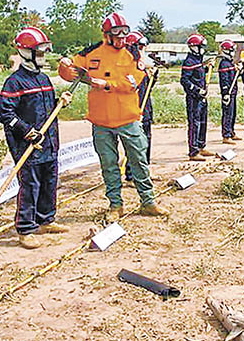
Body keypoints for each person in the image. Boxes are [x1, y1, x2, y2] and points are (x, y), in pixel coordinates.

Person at [59, 12, 165, 222]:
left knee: (138, 161)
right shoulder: (91, 53)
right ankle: (115, 205)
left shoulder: (133, 55)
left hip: (128, 119)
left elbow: (133, 83)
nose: (121, 39)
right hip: (101, 121)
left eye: (124, 35)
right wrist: (64, 67)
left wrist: (108, 85)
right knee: (108, 164)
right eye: (117, 35)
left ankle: (148, 201)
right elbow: (70, 73)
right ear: (106, 35)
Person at [0, 27, 72, 250]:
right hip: (27, 144)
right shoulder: (14, 82)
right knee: (30, 184)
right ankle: (26, 228)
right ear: (25, 52)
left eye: (43, 52)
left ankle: (45, 219)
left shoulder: (44, 78)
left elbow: (46, 107)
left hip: (48, 142)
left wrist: (60, 100)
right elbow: (4, 114)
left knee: (50, 180)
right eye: (39, 52)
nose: (43, 57)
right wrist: (26, 131)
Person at [181, 33, 213, 161]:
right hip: (194, 98)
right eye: (201, 47)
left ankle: (201, 146)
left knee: (203, 121)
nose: (203, 50)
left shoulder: (198, 61)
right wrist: (197, 90)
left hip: (202, 97)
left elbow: (197, 75)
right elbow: (185, 80)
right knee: (194, 123)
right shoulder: (189, 61)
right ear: (194, 47)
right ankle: (193, 151)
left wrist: (206, 68)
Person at [127, 31, 155, 172]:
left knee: (146, 139)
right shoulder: (128, 67)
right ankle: (132, 173)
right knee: (135, 142)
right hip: (135, 110)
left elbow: (147, 89)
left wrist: (152, 77)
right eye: (141, 47)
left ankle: (145, 170)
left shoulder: (141, 66)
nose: (143, 51)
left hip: (146, 107)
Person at [218, 40, 240, 144]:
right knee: (227, 113)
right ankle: (226, 135)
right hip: (228, 93)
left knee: (233, 113)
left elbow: (233, 77)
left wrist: (237, 70)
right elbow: (224, 80)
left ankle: (231, 132)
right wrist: (225, 93)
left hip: (233, 91)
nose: (234, 53)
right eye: (232, 50)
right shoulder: (223, 64)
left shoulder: (229, 63)